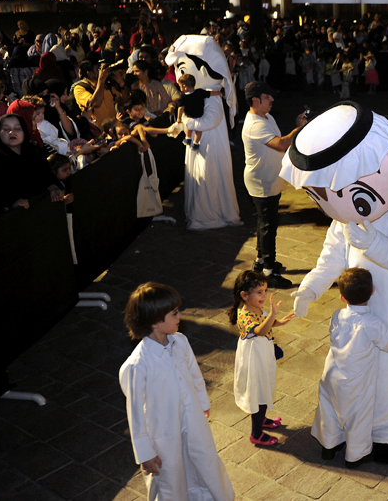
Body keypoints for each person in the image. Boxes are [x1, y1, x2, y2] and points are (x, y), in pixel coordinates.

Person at [285, 102, 388, 462]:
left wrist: (375, 243)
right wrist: (310, 287)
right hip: (357, 312)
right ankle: (345, 430)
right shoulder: (342, 221)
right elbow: (332, 257)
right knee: (347, 375)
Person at [119, 282, 235, 501]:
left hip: (191, 418)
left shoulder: (180, 342)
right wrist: (145, 453)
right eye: (174, 313)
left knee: (203, 459)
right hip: (163, 431)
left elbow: (194, 375)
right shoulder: (138, 365)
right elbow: (135, 413)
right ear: (155, 322)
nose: (180, 316)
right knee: (169, 476)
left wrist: (202, 403)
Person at [316, 268, 388, 467]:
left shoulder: (337, 315)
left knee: (329, 411)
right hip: (356, 381)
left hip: (331, 374)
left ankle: (328, 446)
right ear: (373, 291)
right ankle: (355, 456)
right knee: (358, 417)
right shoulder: (373, 323)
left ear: (342, 297)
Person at [166, 36, 242, 230]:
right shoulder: (197, 93)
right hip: (201, 144)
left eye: (181, 70)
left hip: (209, 147)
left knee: (207, 179)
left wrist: (186, 122)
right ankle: (199, 215)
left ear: (203, 70)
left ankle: (208, 216)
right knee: (199, 178)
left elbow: (210, 121)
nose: (178, 77)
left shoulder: (209, 94)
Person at [242, 81, 306, 288]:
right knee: (269, 224)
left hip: (268, 178)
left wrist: (297, 126)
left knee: (265, 222)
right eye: (267, 96)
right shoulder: (255, 124)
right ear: (255, 100)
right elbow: (280, 144)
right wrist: (299, 128)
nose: (272, 99)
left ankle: (261, 261)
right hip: (262, 181)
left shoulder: (265, 117)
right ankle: (269, 271)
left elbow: (280, 140)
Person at [228, 270, 294, 447]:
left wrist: (279, 320)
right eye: (259, 292)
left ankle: (262, 419)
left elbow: (267, 322)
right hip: (254, 359)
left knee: (264, 386)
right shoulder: (244, 314)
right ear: (244, 295)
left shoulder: (254, 307)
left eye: (264, 290)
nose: (264, 295)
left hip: (262, 354)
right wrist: (273, 315)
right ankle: (256, 433)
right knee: (259, 393)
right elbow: (260, 330)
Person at [0, 114, 64, 218]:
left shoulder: (33, 149)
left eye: (17, 128)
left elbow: (46, 175)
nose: (12, 132)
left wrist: (53, 188)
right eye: (6, 129)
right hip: (11, 220)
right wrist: (10, 204)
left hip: (42, 211)